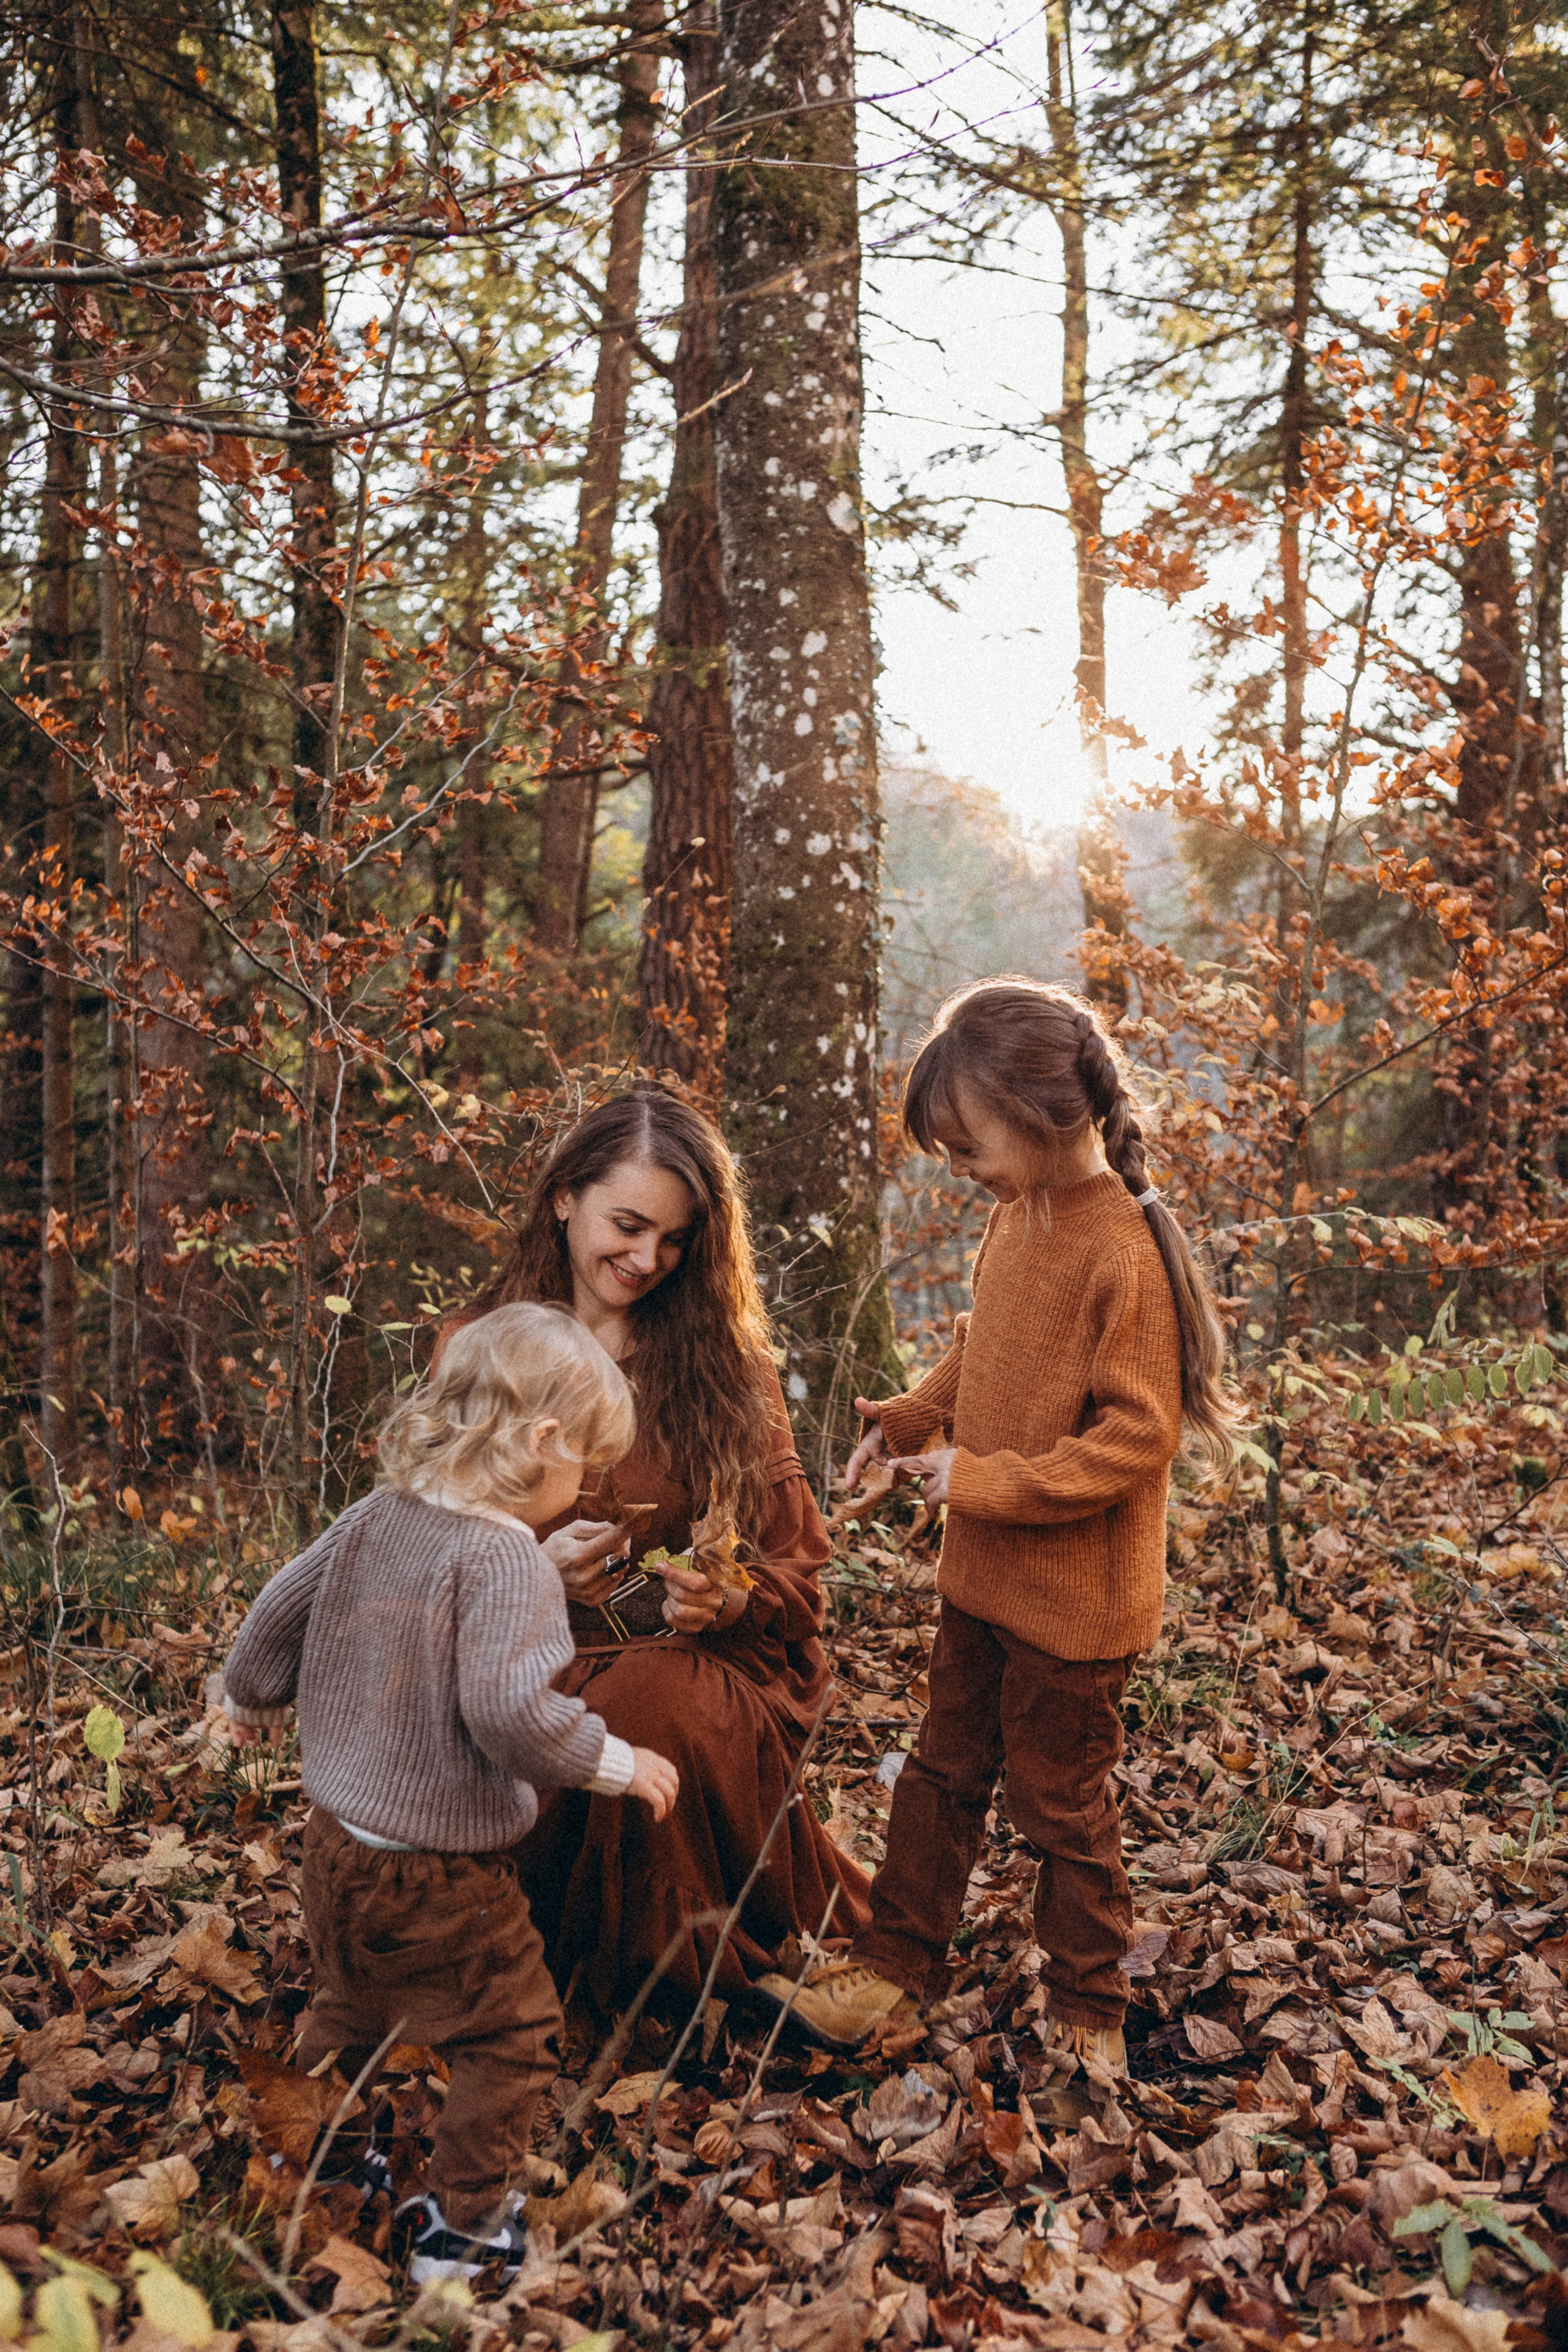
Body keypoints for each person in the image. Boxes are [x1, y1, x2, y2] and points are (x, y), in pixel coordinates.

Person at [760, 978, 1240, 2077]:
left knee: (1060, 1807)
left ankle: (1089, 2012)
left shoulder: (1121, 1246)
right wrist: (909, 1421)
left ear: (1041, 1115)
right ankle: (894, 1968)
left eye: (968, 1143)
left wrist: (980, 1479)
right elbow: (984, 1348)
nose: (962, 1168)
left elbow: (1136, 1438)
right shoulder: (1014, 1219)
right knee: (938, 1772)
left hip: (1075, 1608)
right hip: (979, 1584)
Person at [220, 1304, 679, 2283]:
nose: (579, 1488)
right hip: (441, 1874)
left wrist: (246, 1694)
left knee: (352, 2005)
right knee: (512, 2031)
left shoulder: (384, 1513)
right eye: (582, 1466)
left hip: (337, 1847)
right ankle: (466, 2230)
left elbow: (281, 1606)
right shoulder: (505, 1556)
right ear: (543, 1442)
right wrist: (613, 1761)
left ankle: (310, 2161)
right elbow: (510, 1712)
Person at [455, 1086, 871, 2021]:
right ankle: (547, 1963)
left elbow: (799, 1576)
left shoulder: (727, 1365)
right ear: (565, 1196)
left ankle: (680, 1990)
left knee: (652, 1701)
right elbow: (414, 1552)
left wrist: (726, 1601)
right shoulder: (478, 1349)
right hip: (518, 1664)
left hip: (694, 1676)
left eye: (675, 1240)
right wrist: (529, 1571)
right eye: (629, 1226)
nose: (647, 1261)